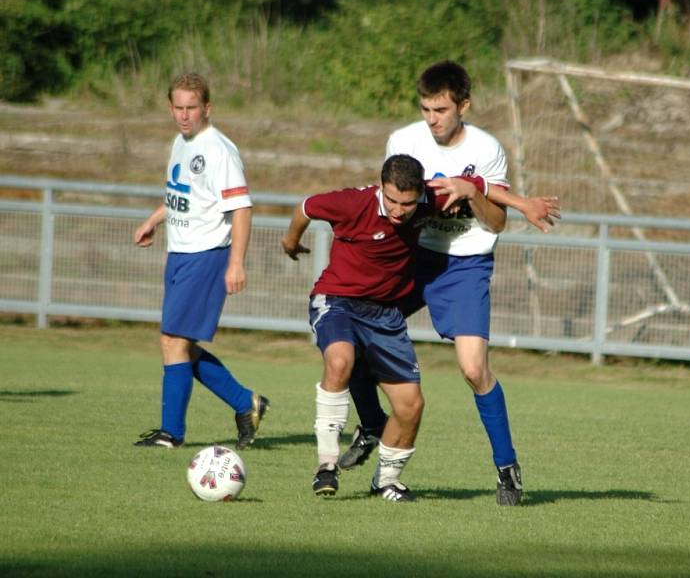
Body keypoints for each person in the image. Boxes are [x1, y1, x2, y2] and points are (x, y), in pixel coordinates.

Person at [342, 60, 560, 506]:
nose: (431, 119)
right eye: (425, 108)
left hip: (463, 265)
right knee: (347, 334)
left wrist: (473, 192)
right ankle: (371, 425)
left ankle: (507, 468)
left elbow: (496, 224)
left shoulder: (487, 147)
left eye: (440, 109)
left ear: (464, 105)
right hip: (410, 256)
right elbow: (393, 198)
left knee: (474, 368)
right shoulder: (402, 140)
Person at [281, 154, 487, 502]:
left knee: (411, 406)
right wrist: (290, 241)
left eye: (407, 203)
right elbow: (305, 206)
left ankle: (386, 481)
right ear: (381, 187)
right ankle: (326, 466)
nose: (398, 210)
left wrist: (521, 202)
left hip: (386, 315)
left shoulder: (432, 199)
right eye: (391, 200)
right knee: (340, 361)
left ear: (420, 193)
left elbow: (482, 187)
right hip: (337, 300)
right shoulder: (351, 203)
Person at [132, 72, 268, 450]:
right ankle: (246, 402)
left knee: (173, 341)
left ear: (207, 107)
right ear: (170, 108)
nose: (185, 115)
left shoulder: (218, 150)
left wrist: (236, 263)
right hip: (180, 253)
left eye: (192, 107)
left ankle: (171, 433)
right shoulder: (180, 142)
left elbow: (241, 208)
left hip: (207, 255)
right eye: (178, 107)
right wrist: (153, 220)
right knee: (180, 344)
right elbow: (182, 194)